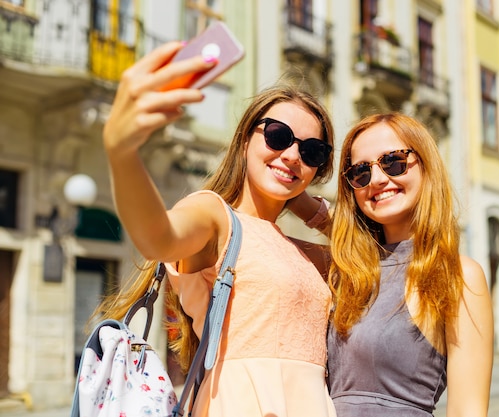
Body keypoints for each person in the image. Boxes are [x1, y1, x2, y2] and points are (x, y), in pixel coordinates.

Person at [92, 41, 337, 416]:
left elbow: (377, 254)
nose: (292, 155)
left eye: (312, 152)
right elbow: (158, 237)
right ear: (244, 140)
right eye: (278, 136)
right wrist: (121, 151)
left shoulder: (307, 253)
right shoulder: (216, 216)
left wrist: (305, 205)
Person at [326, 113, 494, 416]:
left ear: (425, 164)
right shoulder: (345, 271)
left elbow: (467, 409)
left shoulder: (458, 275)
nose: (376, 179)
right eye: (360, 171)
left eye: (393, 161)